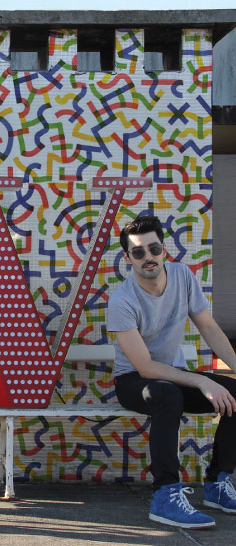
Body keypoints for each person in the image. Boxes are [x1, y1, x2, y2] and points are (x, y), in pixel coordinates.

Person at [107, 215, 236, 529]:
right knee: (166, 394)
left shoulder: (182, 276)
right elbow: (145, 367)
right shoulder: (122, 300)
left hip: (174, 375)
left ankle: (218, 483)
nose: (148, 257)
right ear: (128, 258)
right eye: (139, 252)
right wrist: (201, 380)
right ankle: (165, 496)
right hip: (134, 381)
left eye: (154, 249)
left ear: (164, 250)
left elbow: (209, 328)